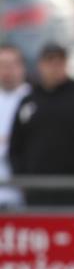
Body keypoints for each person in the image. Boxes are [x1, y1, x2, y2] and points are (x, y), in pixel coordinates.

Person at [9, 43, 74, 206]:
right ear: (40, 65)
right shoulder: (29, 100)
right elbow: (16, 143)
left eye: (59, 63)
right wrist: (20, 176)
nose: (53, 68)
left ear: (66, 64)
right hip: (36, 188)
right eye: (49, 62)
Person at [0, 45, 30, 209]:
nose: (6, 71)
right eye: (2, 65)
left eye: (11, 65)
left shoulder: (34, 100)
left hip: (21, 192)